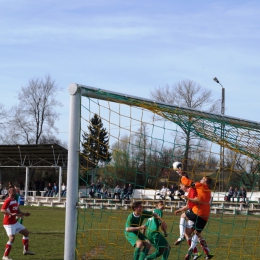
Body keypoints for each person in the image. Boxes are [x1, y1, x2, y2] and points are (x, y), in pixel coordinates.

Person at [177, 169, 214, 260]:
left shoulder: (201, 186)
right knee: (196, 233)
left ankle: (181, 236)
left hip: (197, 212)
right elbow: (199, 199)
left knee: (183, 216)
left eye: (202, 179)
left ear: (205, 181)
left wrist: (183, 175)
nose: (200, 180)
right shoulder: (209, 191)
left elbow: (187, 182)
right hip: (205, 216)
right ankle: (206, 252)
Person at [1, 185, 35, 259]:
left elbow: (17, 210)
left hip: (14, 223)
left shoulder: (14, 200)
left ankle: (26, 250)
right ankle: (5, 256)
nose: (15, 191)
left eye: (15, 190)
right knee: (12, 238)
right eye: (13, 190)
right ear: (9, 192)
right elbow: (2, 210)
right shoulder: (8, 200)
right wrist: (10, 214)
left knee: (26, 232)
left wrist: (24, 214)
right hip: (8, 223)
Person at [174, 184, 202, 260]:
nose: (180, 187)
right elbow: (188, 206)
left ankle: (181, 236)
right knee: (189, 233)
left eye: (181, 186)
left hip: (195, 213)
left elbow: (192, 204)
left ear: (185, 186)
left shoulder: (191, 191)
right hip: (197, 215)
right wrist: (179, 210)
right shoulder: (188, 192)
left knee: (183, 216)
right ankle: (196, 253)